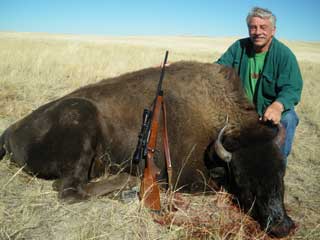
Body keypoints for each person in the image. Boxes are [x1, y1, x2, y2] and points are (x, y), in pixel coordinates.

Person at [216, 7, 303, 164]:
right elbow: (217, 69)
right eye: (253, 27)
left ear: (273, 30)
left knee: (289, 118)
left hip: (269, 111)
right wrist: (178, 68)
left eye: (263, 27)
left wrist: (278, 105)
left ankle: (277, 166)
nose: (257, 32)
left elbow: (292, 87)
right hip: (242, 109)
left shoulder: (284, 55)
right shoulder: (239, 47)